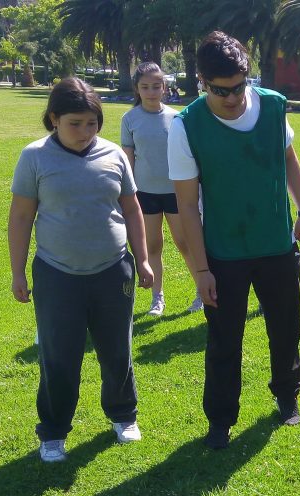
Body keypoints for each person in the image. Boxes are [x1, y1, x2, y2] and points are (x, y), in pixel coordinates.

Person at [167, 31, 300, 448]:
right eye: (220, 90)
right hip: (224, 253)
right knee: (224, 339)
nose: (232, 98)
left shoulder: (272, 106)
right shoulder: (186, 126)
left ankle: (287, 396)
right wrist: (200, 270)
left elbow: (288, 157)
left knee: (285, 329)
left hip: (276, 246)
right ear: (202, 81)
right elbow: (187, 205)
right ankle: (220, 419)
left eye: (239, 85)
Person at [8, 78, 154, 462]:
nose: (85, 132)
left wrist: (142, 258)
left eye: (92, 123)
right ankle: (54, 431)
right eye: (75, 123)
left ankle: (123, 415)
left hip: (112, 271)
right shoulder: (35, 157)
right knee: (59, 356)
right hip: (57, 274)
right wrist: (18, 272)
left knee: (116, 350)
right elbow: (21, 216)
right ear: (54, 118)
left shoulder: (113, 155)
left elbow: (132, 208)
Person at [121, 61, 199, 317]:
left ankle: (201, 291)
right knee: (152, 246)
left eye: (156, 86)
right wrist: (127, 194)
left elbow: (187, 156)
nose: (151, 92)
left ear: (164, 87)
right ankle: (158, 298)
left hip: (176, 192)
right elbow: (128, 158)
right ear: (137, 89)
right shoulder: (129, 119)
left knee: (185, 243)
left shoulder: (177, 117)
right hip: (145, 194)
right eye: (145, 87)